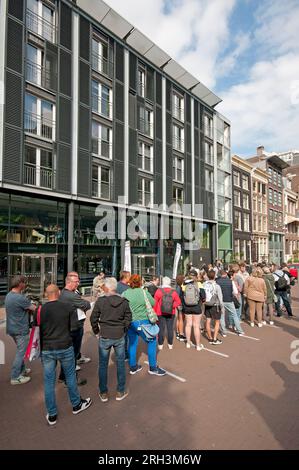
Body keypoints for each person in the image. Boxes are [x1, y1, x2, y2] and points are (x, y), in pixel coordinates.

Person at [38, 284, 92, 425]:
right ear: (59, 293)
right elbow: (71, 326)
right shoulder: (67, 307)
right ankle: (76, 405)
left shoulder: (40, 309)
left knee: (49, 382)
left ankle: (52, 414)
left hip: (47, 348)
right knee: (70, 376)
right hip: (65, 345)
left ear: (46, 294)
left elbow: (38, 327)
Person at [90, 277, 132, 402]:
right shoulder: (123, 301)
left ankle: (103, 392)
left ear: (107, 288)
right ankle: (120, 391)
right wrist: (123, 329)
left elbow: (93, 318)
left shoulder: (101, 301)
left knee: (103, 365)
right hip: (119, 335)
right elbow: (128, 318)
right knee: (120, 364)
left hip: (105, 335)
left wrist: (97, 331)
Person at [123, 274, 166, 376]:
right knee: (152, 341)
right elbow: (153, 302)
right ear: (140, 282)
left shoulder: (125, 293)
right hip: (143, 321)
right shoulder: (144, 292)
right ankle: (153, 367)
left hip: (130, 322)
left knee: (132, 343)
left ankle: (133, 367)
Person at [58, 272, 91, 384]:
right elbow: (87, 305)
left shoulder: (63, 293)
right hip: (74, 327)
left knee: (69, 353)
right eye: (76, 281)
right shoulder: (71, 296)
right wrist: (83, 302)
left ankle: (63, 376)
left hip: (68, 326)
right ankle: (70, 379)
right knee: (72, 354)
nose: (78, 283)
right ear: (70, 282)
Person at [5, 275, 36, 385]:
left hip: (12, 328)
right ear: (20, 284)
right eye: (24, 282)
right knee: (21, 353)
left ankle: (21, 370)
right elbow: (34, 308)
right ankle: (15, 377)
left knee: (20, 350)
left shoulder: (9, 295)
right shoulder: (20, 298)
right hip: (20, 329)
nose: (25, 284)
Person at [180, 269, 206, 350]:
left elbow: (181, 296)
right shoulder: (199, 284)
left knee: (188, 324)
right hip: (197, 306)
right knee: (196, 326)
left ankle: (188, 343)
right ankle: (198, 345)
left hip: (187, 307)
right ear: (196, 276)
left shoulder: (184, 284)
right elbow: (203, 296)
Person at [154, 276, 181, 350]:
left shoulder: (159, 291)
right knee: (170, 328)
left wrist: (154, 312)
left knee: (161, 328)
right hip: (171, 312)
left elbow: (155, 303)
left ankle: (160, 344)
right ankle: (170, 344)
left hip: (160, 312)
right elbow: (178, 302)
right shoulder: (174, 291)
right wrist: (172, 306)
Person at [216, 270, 245, 336]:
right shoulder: (230, 281)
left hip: (220, 301)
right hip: (229, 300)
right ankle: (240, 331)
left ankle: (224, 332)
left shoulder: (217, 282)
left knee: (222, 316)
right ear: (226, 274)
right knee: (234, 315)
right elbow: (235, 292)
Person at [203, 270, 224, 345]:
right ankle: (215, 338)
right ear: (214, 276)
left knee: (208, 321)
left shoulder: (204, 284)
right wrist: (222, 308)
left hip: (207, 305)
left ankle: (210, 338)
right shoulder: (217, 286)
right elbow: (220, 298)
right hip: (216, 306)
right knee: (217, 322)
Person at [175, 274, 186, 341]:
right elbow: (179, 296)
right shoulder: (180, 287)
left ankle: (178, 332)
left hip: (178, 304)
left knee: (179, 319)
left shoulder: (177, 286)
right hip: (181, 304)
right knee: (181, 319)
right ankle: (180, 333)